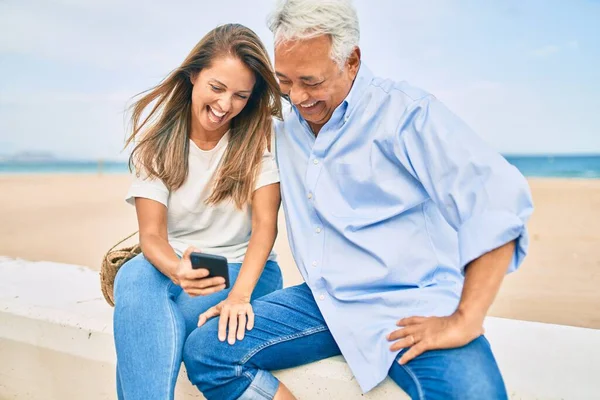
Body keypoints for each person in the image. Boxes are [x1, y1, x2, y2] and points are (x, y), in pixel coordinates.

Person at [183, 1, 535, 399]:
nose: (297, 97)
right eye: (284, 82)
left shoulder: (406, 115)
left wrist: (465, 319)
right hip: (321, 303)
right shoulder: (280, 124)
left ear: (352, 61)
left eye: (311, 81)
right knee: (207, 350)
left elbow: (497, 199)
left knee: (476, 395)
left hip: (409, 304)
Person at [112, 23, 284, 400]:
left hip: (246, 272)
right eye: (217, 88)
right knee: (135, 275)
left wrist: (239, 297)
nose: (225, 106)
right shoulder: (156, 145)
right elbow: (152, 236)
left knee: (144, 330)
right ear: (194, 75)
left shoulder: (260, 138)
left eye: (240, 96)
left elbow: (265, 229)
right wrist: (177, 270)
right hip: (177, 270)